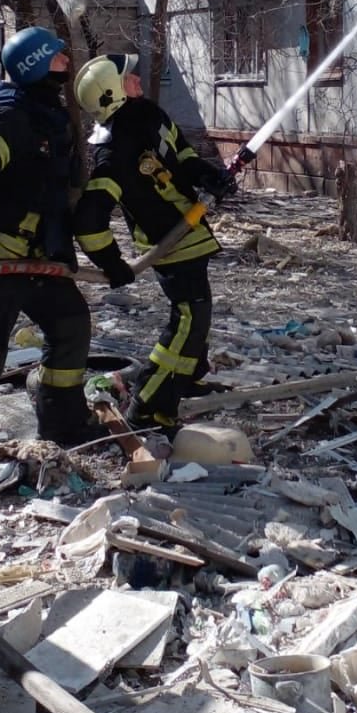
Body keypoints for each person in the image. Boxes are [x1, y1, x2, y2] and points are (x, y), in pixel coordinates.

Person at [0, 26, 99, 473]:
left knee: (71, 325)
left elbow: (51, 190)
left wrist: (62, 245)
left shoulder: (46, 114)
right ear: (34, 63)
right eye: (57, 56)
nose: (67, 62)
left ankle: (64, 424)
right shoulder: (9, 117)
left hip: (39, 259)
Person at [73, 53, 234, 432]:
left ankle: (187, 378)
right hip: (168, 242)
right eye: (129, 76)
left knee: (198, 316)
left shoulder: (149, 116)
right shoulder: (112, 150)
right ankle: (148, 403)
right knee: (190, 317)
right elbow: (89, 218)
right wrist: (112, 263)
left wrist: (210, 178)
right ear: (113, 92)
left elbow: (182, 157)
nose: (138, 78)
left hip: (190, 234)